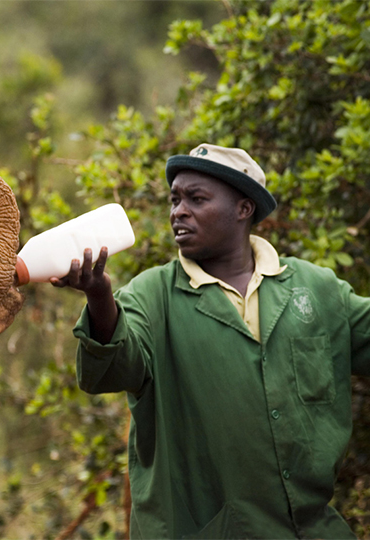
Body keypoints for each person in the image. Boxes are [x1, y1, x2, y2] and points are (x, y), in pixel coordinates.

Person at [51, 143, 370, 539]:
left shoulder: (316, 290)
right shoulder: (153, 296)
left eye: (196, 199)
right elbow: (111, 370)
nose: (178, 211)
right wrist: (99, 297)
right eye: (175, 200)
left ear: (243, 209)